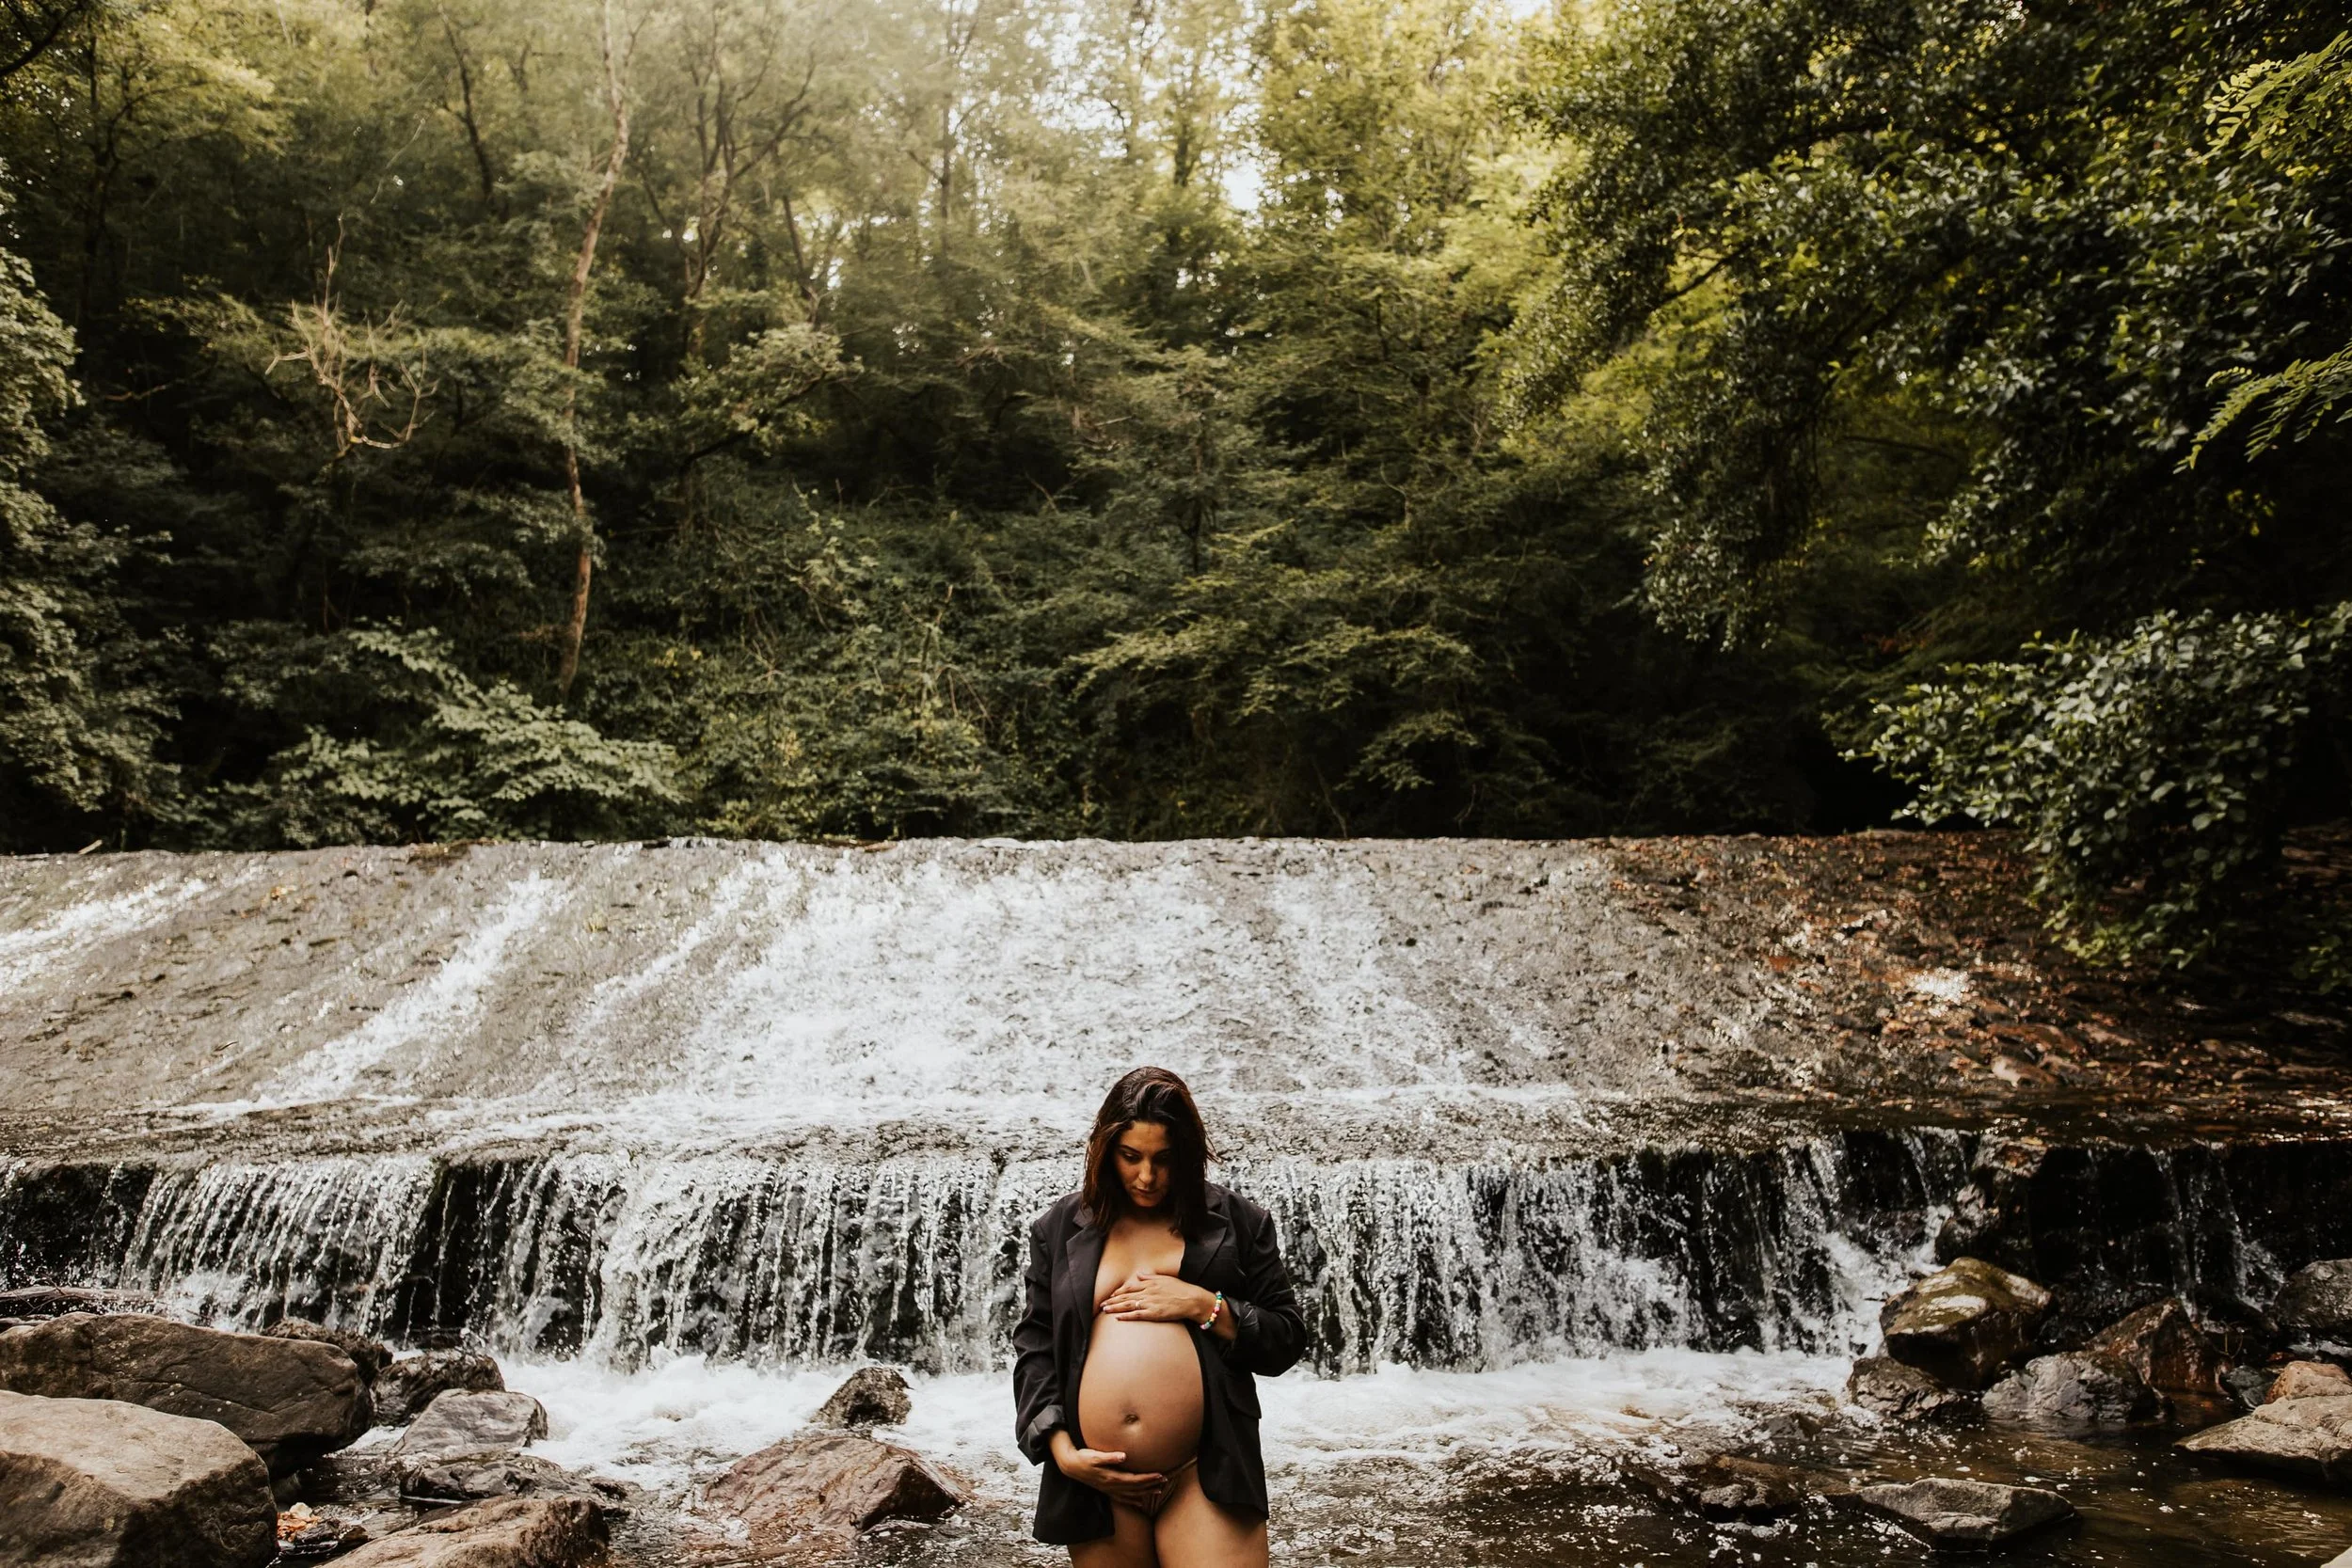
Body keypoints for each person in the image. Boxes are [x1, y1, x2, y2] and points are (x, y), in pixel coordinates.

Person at [1012, 1066, 1307, 1566]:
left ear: (1188, 1157)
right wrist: (1063, 1453)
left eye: (1164, 1160)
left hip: (1204, 1471)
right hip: (1096, 1479)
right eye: (1131, 1157)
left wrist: (1204, 1306)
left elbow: (1286, 1338)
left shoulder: (1239, 1223)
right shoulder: (1058, 1229)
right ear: (1106, 1151)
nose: (1146, 1177)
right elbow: (1036, 1347)